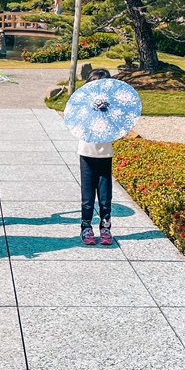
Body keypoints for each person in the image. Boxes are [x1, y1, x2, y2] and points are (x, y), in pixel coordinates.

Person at [77, 68, 114, 246]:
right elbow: (77, 125)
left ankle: (105, 227)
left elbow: (117, 130)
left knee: (105, 197)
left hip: (105, 154)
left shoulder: (112, 109)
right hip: (87, 154)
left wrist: (107, 112)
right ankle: (86, 227)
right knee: (88, 197)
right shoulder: (83, 107)